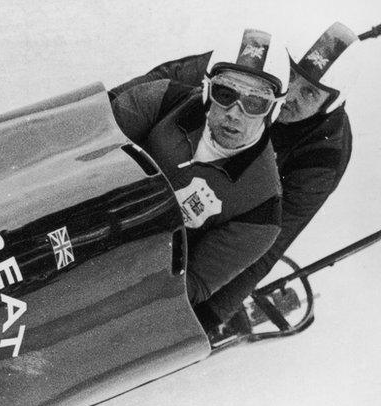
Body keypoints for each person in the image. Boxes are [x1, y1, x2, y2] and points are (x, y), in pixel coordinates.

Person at [110, 22, 359, 333]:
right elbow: (163, 81)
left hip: (220, 216)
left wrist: (210, 314)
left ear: (328, 105)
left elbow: (270, 241)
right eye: (291, 74)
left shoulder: (322, 159)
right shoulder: (251, 74)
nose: (290, 93)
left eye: (308, 92)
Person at [111, 28, 289, 305]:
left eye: (255, 102)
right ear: (207, 91)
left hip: (124, 273)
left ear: (273, 110)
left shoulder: (261, 209)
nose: (235, 112)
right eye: (226, 93)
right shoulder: (163, 99)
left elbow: (189, 286)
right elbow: (88, 147)